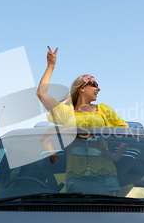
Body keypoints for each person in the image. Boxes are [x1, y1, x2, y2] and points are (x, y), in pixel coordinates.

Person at [36, 46, 128, 195]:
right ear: (82, 88)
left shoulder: (103, 109)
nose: (98, 89)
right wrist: (51, 66)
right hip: (76, 175)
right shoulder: (65, 112)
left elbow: (126, 132)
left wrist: (117, 155)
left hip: (105, 173)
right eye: (95, 85)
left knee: (110, 216)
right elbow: (41, 93)